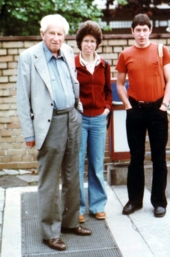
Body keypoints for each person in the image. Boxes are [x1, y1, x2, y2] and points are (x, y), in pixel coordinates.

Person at [16, 14, 92, 251]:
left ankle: (70, 223)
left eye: (60, 34)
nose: (56, 38)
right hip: (49, 124)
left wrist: (77, 111)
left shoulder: (69, 52)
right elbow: (22, 98)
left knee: (72, 174)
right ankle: (50, 232)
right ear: (43, 34)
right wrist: (29, 134)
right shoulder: (29, 57)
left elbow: (73, 82)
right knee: (49, 180)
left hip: (72, 117)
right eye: (52, 33)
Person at [115, 14, 170, 218]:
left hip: (158, 110)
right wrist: (127, 106)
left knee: (159, 158)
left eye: (144, 29)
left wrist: (164, 105)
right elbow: (120, 84)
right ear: (132, 32)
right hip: (135, 111)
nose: (141, 34)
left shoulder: (161, 50)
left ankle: (159, 202)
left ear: (150, 30)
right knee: (136, 158)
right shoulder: (125, 54)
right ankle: (134, 201)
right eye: (137, 30)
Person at [75, 21, 112, 223]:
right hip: (79, 119)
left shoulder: (104, 65)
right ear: (80, 42)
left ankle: (97, 206)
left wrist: (106, 109)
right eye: (86, 41)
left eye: (93, 41)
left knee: (97, 164)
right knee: (78, 164)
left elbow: (108, 91)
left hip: (98, 119)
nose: (89, 45)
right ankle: (78, 208)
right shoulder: (72, 64)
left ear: (97, 44)